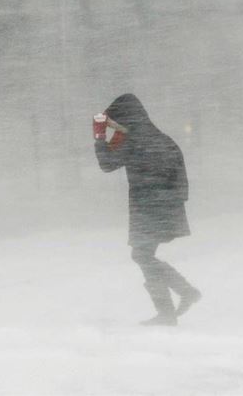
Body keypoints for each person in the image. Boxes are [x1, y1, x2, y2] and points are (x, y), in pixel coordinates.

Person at [93, 94, 201, 326]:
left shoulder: (131, 140)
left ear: (126, 118)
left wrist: (100, 136)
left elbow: (106, 164)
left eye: (115, 121)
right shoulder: (161, 138)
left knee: (142, 255)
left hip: (148, 209)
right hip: (165, 208)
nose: (115, 126)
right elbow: (181, 178)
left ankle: (175, 305)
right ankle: (176, 303)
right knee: (144, 255)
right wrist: (174, 203)